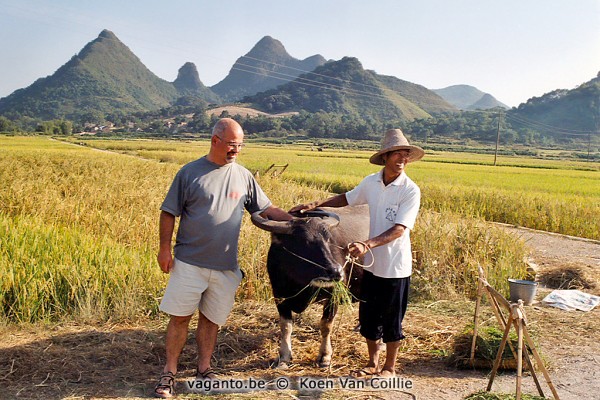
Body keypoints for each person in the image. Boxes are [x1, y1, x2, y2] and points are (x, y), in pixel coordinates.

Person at [154, 118, 292, 398]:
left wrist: (296, 220)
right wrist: (164, 249)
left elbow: (265, 208)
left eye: (240, 145)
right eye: (231, 144)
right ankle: (169, 372)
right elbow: (169, 212)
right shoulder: (189, 173)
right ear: (215, 140)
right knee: (180, 318)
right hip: (189, 262)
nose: (236, 150)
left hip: (225, 266)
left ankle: (204, 369)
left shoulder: (243, 176)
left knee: (211, 320)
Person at [290, 128, 424, 378]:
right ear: (385, 157)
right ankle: (372, 364)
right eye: (398, 154)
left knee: (393, 321)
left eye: (406, 155)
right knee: (369, 318)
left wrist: (367, 244)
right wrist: (316, 204)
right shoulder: (371, 182)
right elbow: (347, 198)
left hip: (395, 267)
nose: (402, 160)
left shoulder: (410, 190)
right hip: (371, 267)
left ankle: (389, 368)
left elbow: (400, 229)